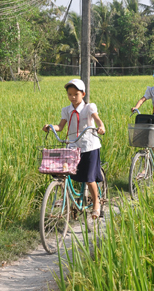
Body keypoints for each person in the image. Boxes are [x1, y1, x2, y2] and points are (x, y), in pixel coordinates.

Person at [43, 79, 106, 219]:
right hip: (72, 147)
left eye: (76, 94)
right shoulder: (66, 110)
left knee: (89, 179)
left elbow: (97, 120)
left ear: (83, 94)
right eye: (70, 94)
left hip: (89, 146)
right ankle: (66, 201)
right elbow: (60, 127)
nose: (72, 97)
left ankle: (96, 203)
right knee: (63, 174)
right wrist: (51, 127)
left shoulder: (89, 108)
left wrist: (101, 127)